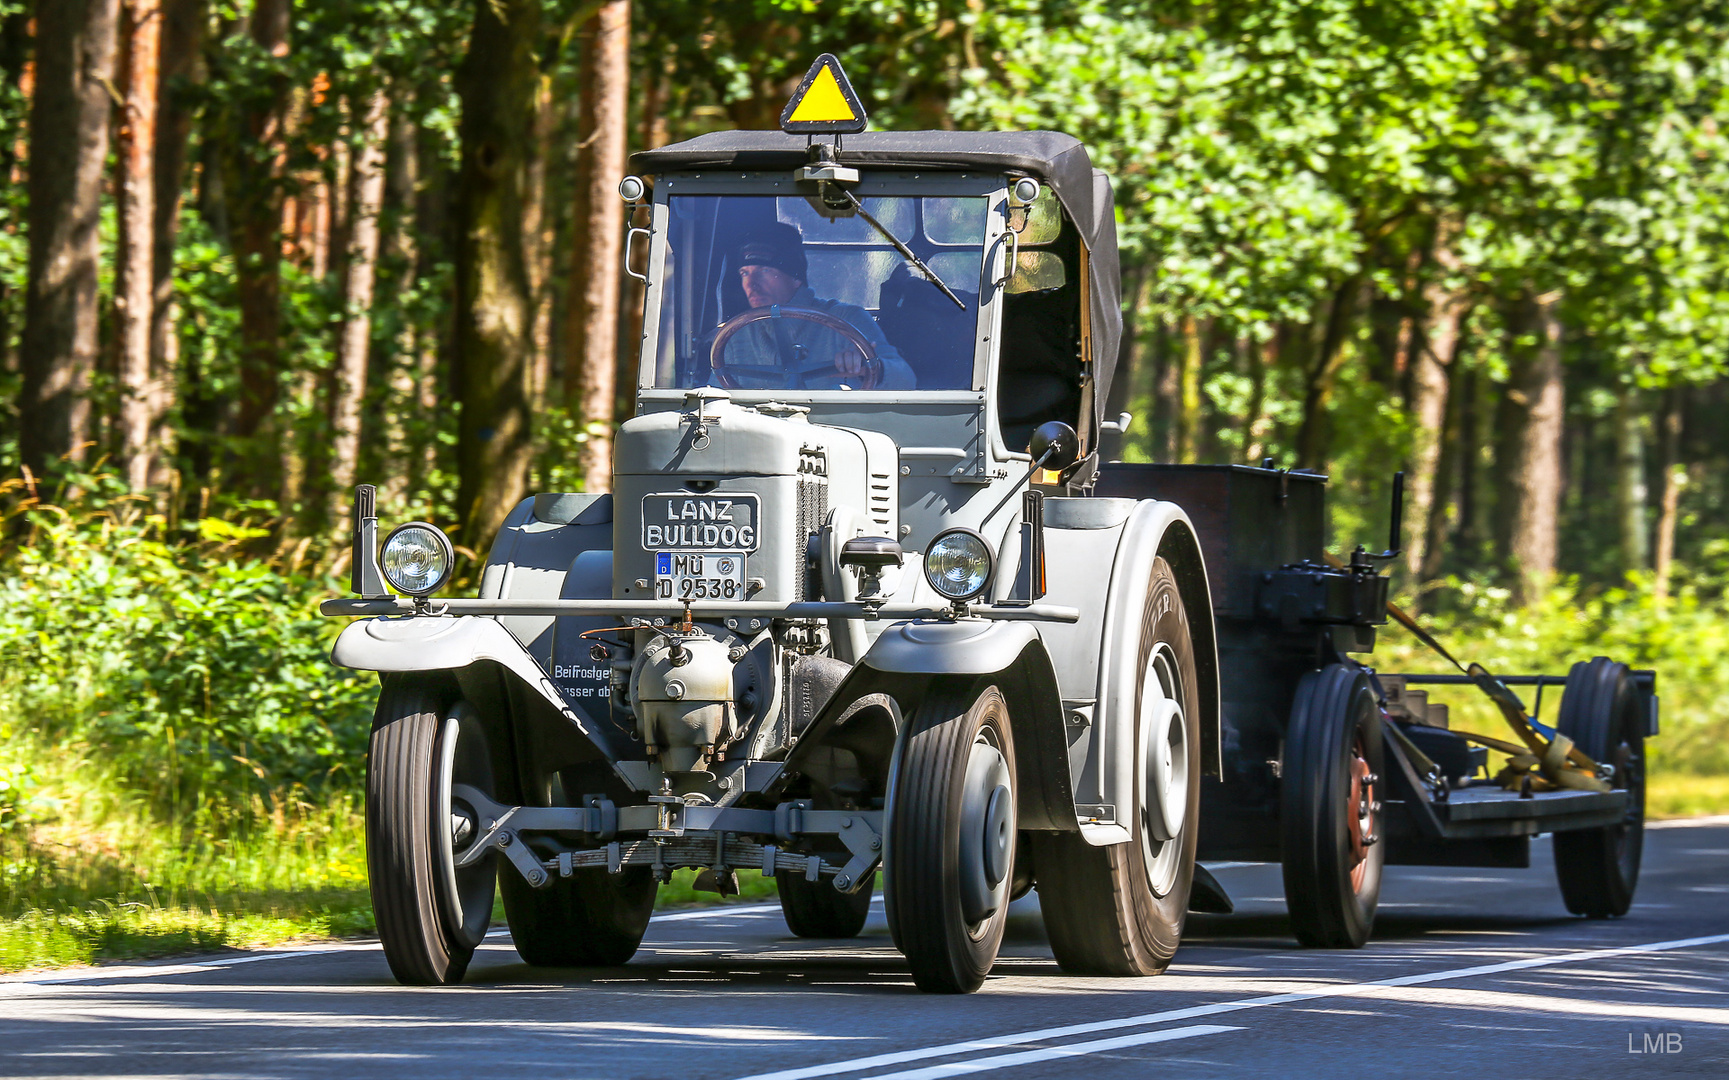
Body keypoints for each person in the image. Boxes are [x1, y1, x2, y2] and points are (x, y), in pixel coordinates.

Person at [717, 223, 916, 390]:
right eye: (745, 273)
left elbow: (906, 380)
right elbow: (714, 397)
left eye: (764, 270)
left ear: (796, 278)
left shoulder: (848, 321)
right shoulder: (737, 336)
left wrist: (871, 368)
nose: (751, 284)